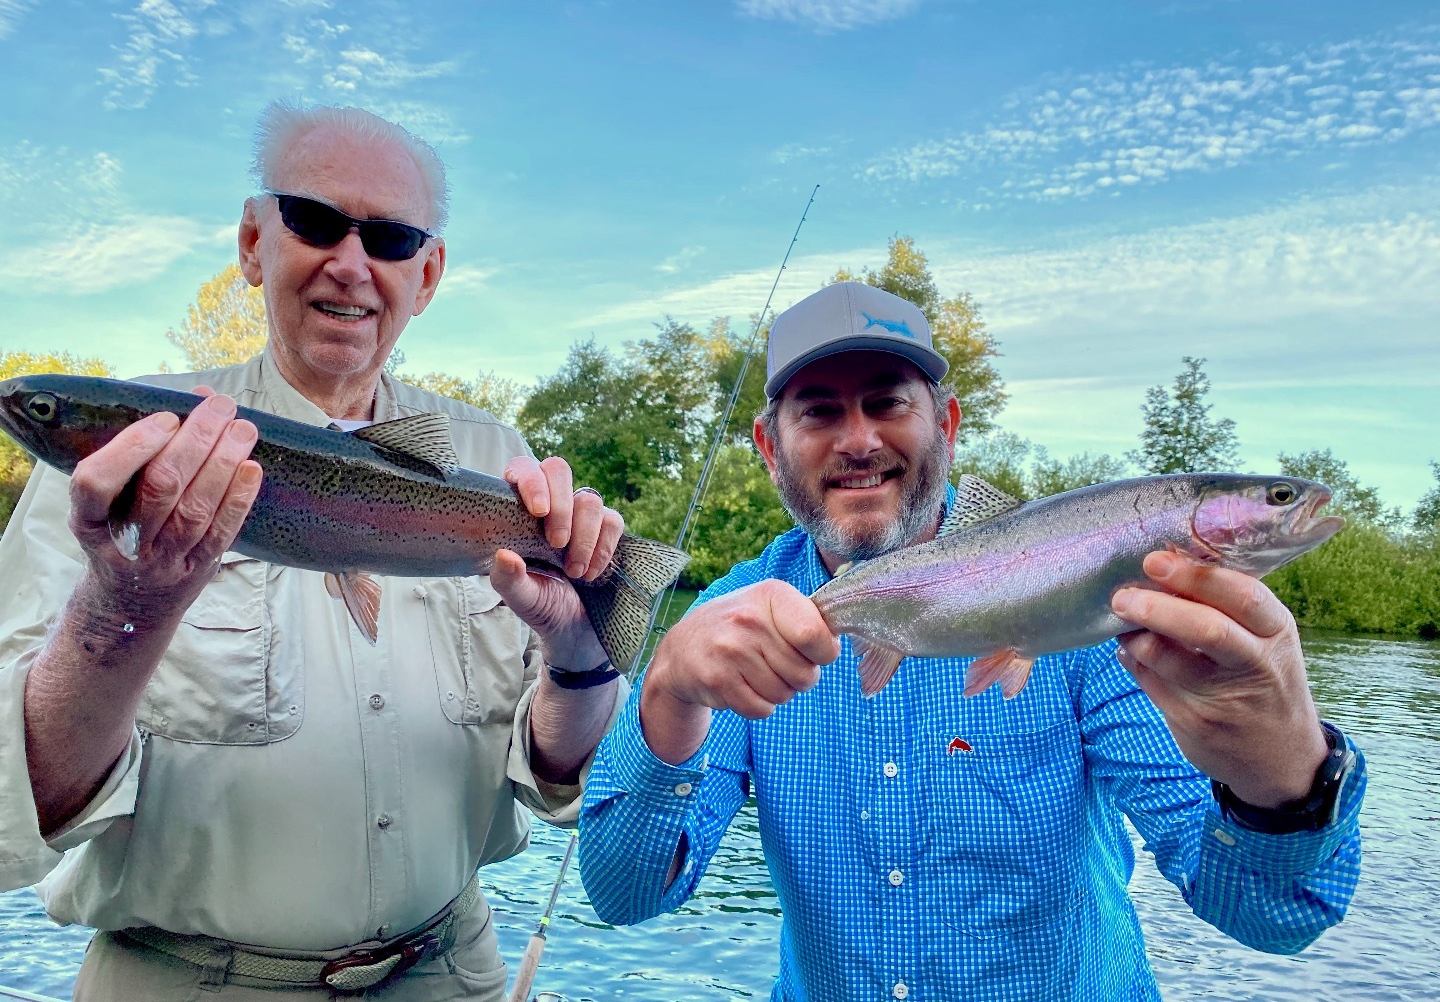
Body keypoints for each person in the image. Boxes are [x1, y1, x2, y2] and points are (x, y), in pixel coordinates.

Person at [577, 282, 1366, 1001]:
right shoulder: (733, 620)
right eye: (819, 410)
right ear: (768, 444)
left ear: (946, 424)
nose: (858, 440)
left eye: (888, 402)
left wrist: (1281, 773)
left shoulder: (1102, 609)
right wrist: (665, 699)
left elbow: (1275, 919)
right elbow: (625, 899)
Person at [0, 102, 631, 1000]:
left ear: (429, 271)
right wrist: (123, 610)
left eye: (390, 236)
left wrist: (580, 653)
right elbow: (13, 808)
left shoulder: (499, 462)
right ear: (254, 241)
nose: (350, 262)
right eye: (314, 220)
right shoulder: (125, 456)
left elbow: (553, 776)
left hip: (452, 969)